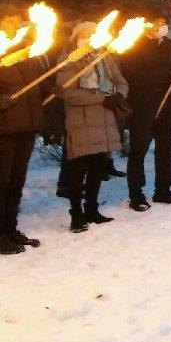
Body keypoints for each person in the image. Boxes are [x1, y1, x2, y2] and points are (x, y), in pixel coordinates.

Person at [56, 21, 128, 232]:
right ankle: (76, 215)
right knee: (78, 170)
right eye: (85, 34)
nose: (89, 38)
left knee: (98, 168)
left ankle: (92, 209)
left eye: (92, 34)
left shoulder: (104, 58)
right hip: (82, 121)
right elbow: (68, 93)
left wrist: (118, 96)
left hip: (104, 121)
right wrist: (101, 98)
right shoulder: (68, 60)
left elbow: (121, 81)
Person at [118, 17, 171, 212]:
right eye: (157, 23)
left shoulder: (168, 44)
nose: (162, 27)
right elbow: (132, 75)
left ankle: (163, 189)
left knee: (167, 148)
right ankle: (136, 194)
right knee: (139, 149)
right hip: (143, 106)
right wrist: (165, 74)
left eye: (164, 22)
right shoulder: (133, 45)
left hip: (167, 105)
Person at [0, 13, 47, 253]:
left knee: (16, 182)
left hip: (26, 127)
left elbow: (40, 84)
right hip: (4, 129)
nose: (15, 25)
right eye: (9, 21)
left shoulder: (29, 55)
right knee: (2, 182)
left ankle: (10, 229)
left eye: (18, 21)